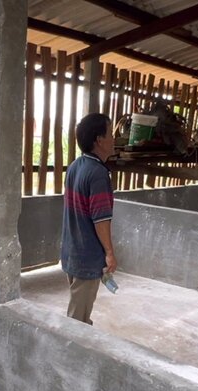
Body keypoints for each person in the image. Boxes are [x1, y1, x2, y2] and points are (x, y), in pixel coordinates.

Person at [61, 113, 117, 325]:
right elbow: (100, 219)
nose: (114, 139)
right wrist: (110, 253)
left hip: (71, 252)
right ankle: (67, 355)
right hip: (87, 257)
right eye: (111, 134)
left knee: (79, 310)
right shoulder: (98, 174)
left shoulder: (76, 166)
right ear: (99, 140)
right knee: (77, 320)